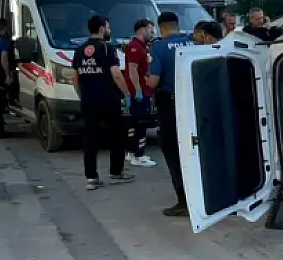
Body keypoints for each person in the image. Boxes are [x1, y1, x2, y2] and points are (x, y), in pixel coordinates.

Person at [73, 15, 132, 191]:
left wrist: (82, 95)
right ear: (101, 29)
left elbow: (74, 77)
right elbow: (116, 73)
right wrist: (126, 94)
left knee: (90, 139)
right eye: (108, 27)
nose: (110, 30)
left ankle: (91, 178)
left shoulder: (80, 50)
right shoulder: (108, 49)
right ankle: (116, 172)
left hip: (89, 101)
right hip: (109, 100)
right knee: (117, 136)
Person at [146, 12, 194, 217]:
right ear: (178, 25)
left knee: (173, 150)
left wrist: (144, 79)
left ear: (160, 28)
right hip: (193, 103)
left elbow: (154, 81)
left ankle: (183, 200)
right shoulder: (192, 43)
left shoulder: (158, 47)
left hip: (171, 105)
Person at [125, 17, 158, 168]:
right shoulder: (135, 47)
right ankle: (139, 155)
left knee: (134, 123)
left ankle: (131, 152)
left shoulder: (141, 46)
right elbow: (132, 69)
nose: (152, 33)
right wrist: (138, 90)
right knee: (141, 124)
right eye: (150, 30)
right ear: (142, 29)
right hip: (140, 92)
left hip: (142, 91)